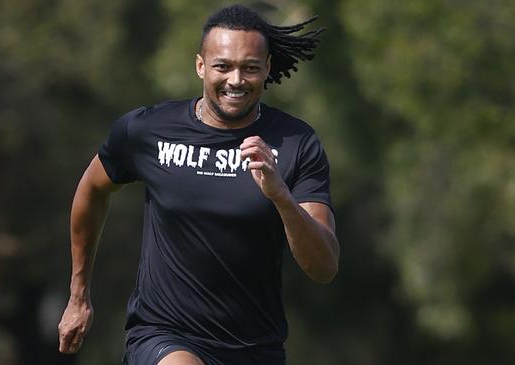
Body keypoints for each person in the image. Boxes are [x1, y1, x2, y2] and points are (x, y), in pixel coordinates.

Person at [58, 4, 339, 365]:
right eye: (223, 66)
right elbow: (92, 189)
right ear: (200, 66)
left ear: (267, 69)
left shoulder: (295, 143)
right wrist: (78, 293)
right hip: (164, 333)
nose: (236, 80)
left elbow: (324, 267)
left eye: (250, 68)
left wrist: (280, 196)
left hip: (254, 348)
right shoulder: (148, 130)